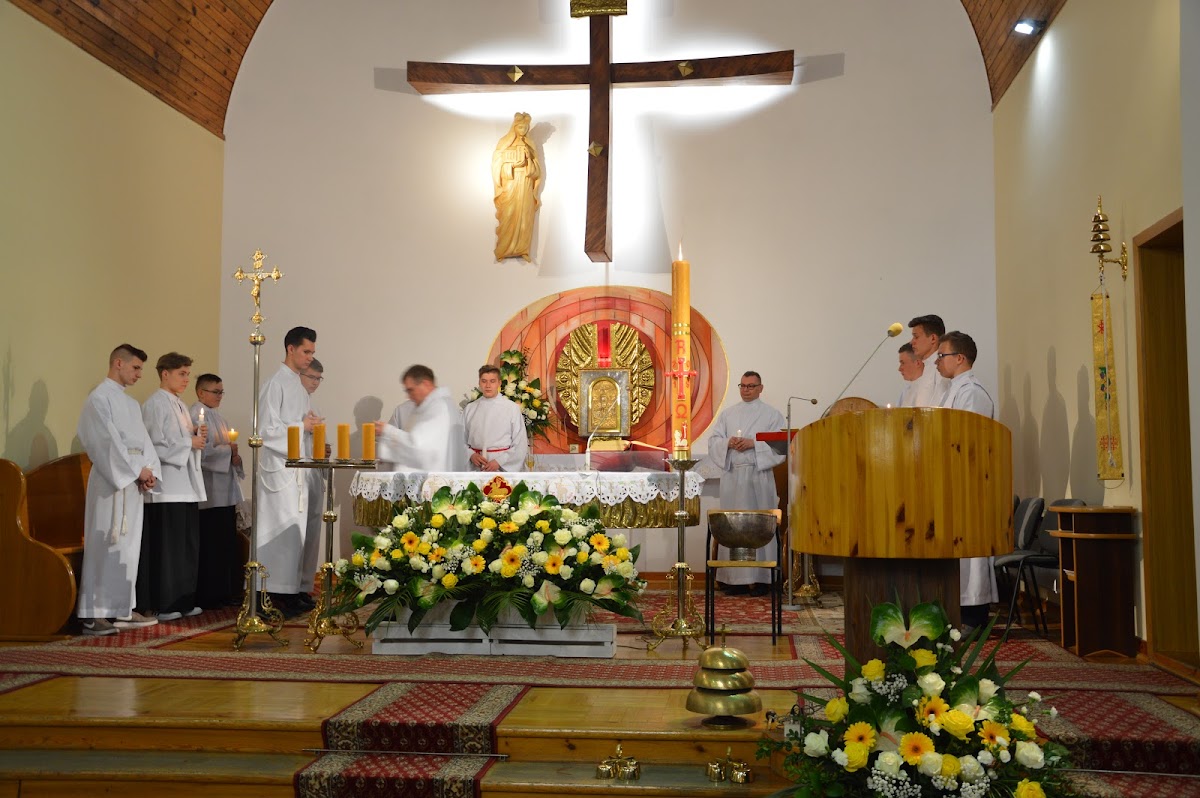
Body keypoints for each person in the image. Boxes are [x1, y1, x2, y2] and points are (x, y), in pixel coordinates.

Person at [76, 345, 162, 635]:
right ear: (118, 363)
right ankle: (93, 614)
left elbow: (144, 443)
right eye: (136, 368)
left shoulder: (131, 404)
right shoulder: (99, 399)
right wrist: (137, 470)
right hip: (109, 483)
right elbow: (104, 442)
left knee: (128, 549)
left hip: (133, 484)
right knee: (105, 544)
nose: (139, 374)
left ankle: (121, 610)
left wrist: (150, 472)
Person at [935, 330, 999, 631]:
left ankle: (973, 615)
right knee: (956, 552)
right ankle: (955, 611)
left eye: (942, 355)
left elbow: (968, 441)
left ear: (960, 358)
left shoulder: (972, 392)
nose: (938, 361)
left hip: (968, 482)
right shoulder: (953, 391)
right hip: (952, 481)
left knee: (970, 553)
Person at [138, 352, 207, 621]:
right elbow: (153, 445)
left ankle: (183, 600)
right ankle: (165, 603)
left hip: (185, 486)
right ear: (165, 373)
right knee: (168, 550)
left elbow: (180, 441)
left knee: (184, 548)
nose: (186, 379)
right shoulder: (155, 404)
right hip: (166, 489)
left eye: (188, 374)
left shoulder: (179, 404)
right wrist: (190, 442)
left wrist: (195, 437)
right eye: (182, 374)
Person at [257, 326, 321, 616]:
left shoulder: (298, 386)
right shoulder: (275, 384)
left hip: (297, 470)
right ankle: (267, 593)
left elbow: (299, 427)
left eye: (312, 352)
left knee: (295, 533)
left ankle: (291, 590)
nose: (310, 357)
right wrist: (301, 427)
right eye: (306, 351)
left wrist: (310, 429)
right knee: (278, 532)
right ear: (290, 349)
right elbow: (264, 430)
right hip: (279, 471)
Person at [704, 371, 786, 596]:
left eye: (751, 386)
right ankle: (734, 580)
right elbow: (714, 441)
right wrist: (728, 443)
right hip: (733, 477)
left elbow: (780, 446)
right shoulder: (728, 414)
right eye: (743, 386)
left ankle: (763, 579)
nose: (746, 390)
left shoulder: (772, 415)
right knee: (732, 527)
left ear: (760, 388)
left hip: (758, 476)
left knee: (760, 525)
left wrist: (754, 444)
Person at [190, 373, 243, 609]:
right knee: (211, 545)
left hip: (225, 491)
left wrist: (235, 457)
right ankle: (209, 595)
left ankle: (225, 591)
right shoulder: (196, 415)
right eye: (215, 391)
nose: (220, 396)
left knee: (225, 544)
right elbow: (202, 454)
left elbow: (223, 451)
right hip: (209, 491)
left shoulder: (219, 418)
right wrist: (227, 451)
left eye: (222, 392)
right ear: (201, 392)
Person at [375, 364, 467, 472]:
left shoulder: (438, 407)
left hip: (434, 478)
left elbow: (419, 449)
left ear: (425, 384)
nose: (408, 396)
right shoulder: (434, 405)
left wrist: (387, 431)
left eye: (411, 390)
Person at [297, 359, 328, 611]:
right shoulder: (294, 403)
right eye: (311, 377)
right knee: (299, 533)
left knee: (312, 531)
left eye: (319, 378)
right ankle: (293, 588)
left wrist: (323, 451)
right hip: (298, 474)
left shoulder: (311, 404)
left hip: (313, 472)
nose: (315, 383)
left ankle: (305, 586)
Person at [492, 111, 541, 262]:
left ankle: (522, 249)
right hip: (511, 183)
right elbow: (497, 167)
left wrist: (528, 160)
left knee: (525, 216)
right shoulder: (504, 143)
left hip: (525, 183)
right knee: (508, 214)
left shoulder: (530, 144)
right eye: (520, 127)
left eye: (525, 128)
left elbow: (536, 171)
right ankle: (504, 249)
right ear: (514, 127)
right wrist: (513, 165)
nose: (523, 130)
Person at [463, 364, 529, 472]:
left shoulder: (511, 408)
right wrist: (471, 455)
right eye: (484, 381)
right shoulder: (470, 409)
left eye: (492, 381)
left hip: (502, 467)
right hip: (475, 466)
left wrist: (499, 461)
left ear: (499, 383)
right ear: (479, 383)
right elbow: (460, 440)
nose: (488, 385)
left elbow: (520, 443)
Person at [908, 314, 951, 408]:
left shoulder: (942, 368)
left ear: (933, 338)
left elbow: (939, 409)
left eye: (916, 337)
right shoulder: (923, 368)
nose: (912, 342)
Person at [897, 342, 924, 408]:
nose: (899, 369)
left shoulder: (927, 389)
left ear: (917, 363)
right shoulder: (906, 391)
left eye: (903, 363)